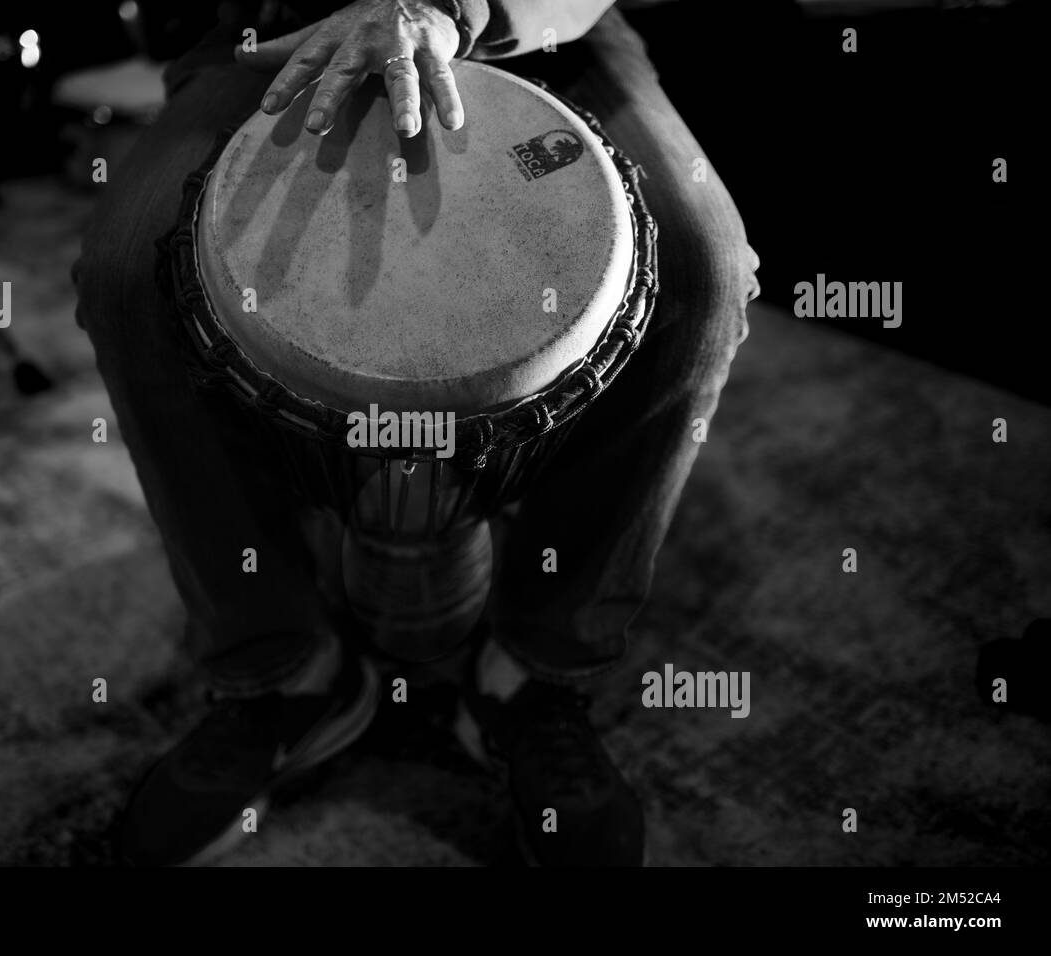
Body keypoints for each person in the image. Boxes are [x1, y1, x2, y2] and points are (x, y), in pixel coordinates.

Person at [74, 0, 759, 867]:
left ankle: (539, 670)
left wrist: (460, 9)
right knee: (128, 275)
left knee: (705, 276)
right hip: (288, 28)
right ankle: (279, 668)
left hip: (549, 26)